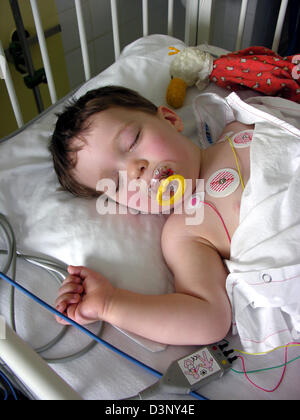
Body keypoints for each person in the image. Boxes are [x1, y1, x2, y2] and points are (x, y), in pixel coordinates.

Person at [48, 85, 257, 345]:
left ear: (170, 119)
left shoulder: (239, 127)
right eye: (116, 183)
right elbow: (210, 317)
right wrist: (110, 303)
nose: (135, 170)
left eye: (132, 141)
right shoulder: (185, 233)